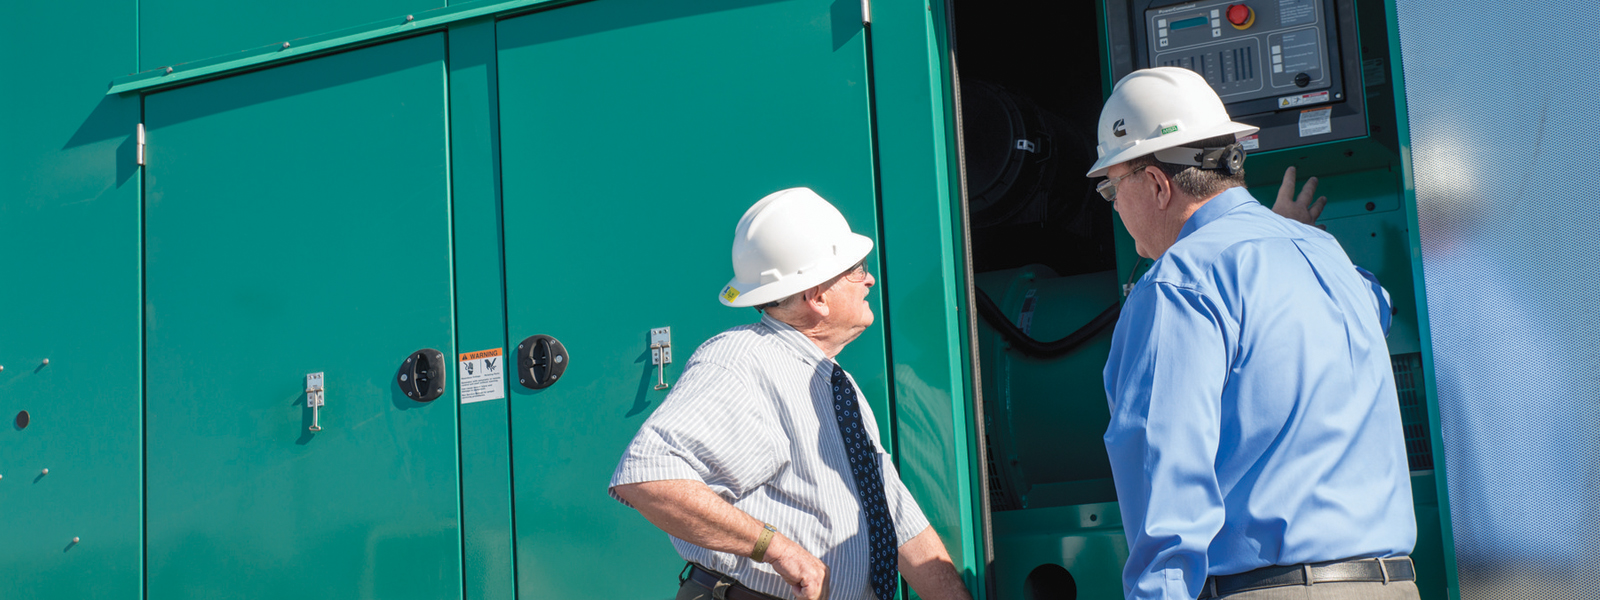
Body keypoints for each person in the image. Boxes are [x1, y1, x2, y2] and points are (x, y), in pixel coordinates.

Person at [1086, 67, 1418, 599]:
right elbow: (1375, 309)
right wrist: (1281, 232)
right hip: (1391, 584)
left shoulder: (1178, 285)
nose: (1115, 207)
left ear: (1154, 183)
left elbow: (1164, 470)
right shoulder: (1326, 256)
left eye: (1111, 188)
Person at [609, 188, 972, 600]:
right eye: (856, 269)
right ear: (817, 296)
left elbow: (895, 517)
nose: (869, 279)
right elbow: (649, 479)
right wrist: (776, 548)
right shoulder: (741, 359)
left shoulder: (835, 383)